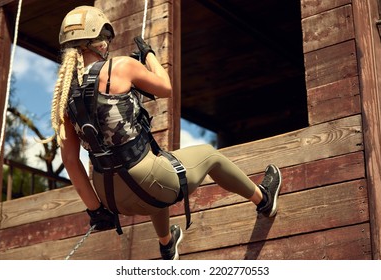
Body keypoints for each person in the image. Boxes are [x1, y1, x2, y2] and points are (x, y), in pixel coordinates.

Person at [48, 5, 282, 260]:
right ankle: (264, 200)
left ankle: (167, 244)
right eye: (105, 38)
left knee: (156, 172)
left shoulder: (64, 96)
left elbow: (71, 161)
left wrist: (96, 210)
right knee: (208, 156)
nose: (106, 44)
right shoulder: (122, 66)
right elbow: (165, 87)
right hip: (146, 180)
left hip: (110, 195)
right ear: (97, 41)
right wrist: (149, 55)